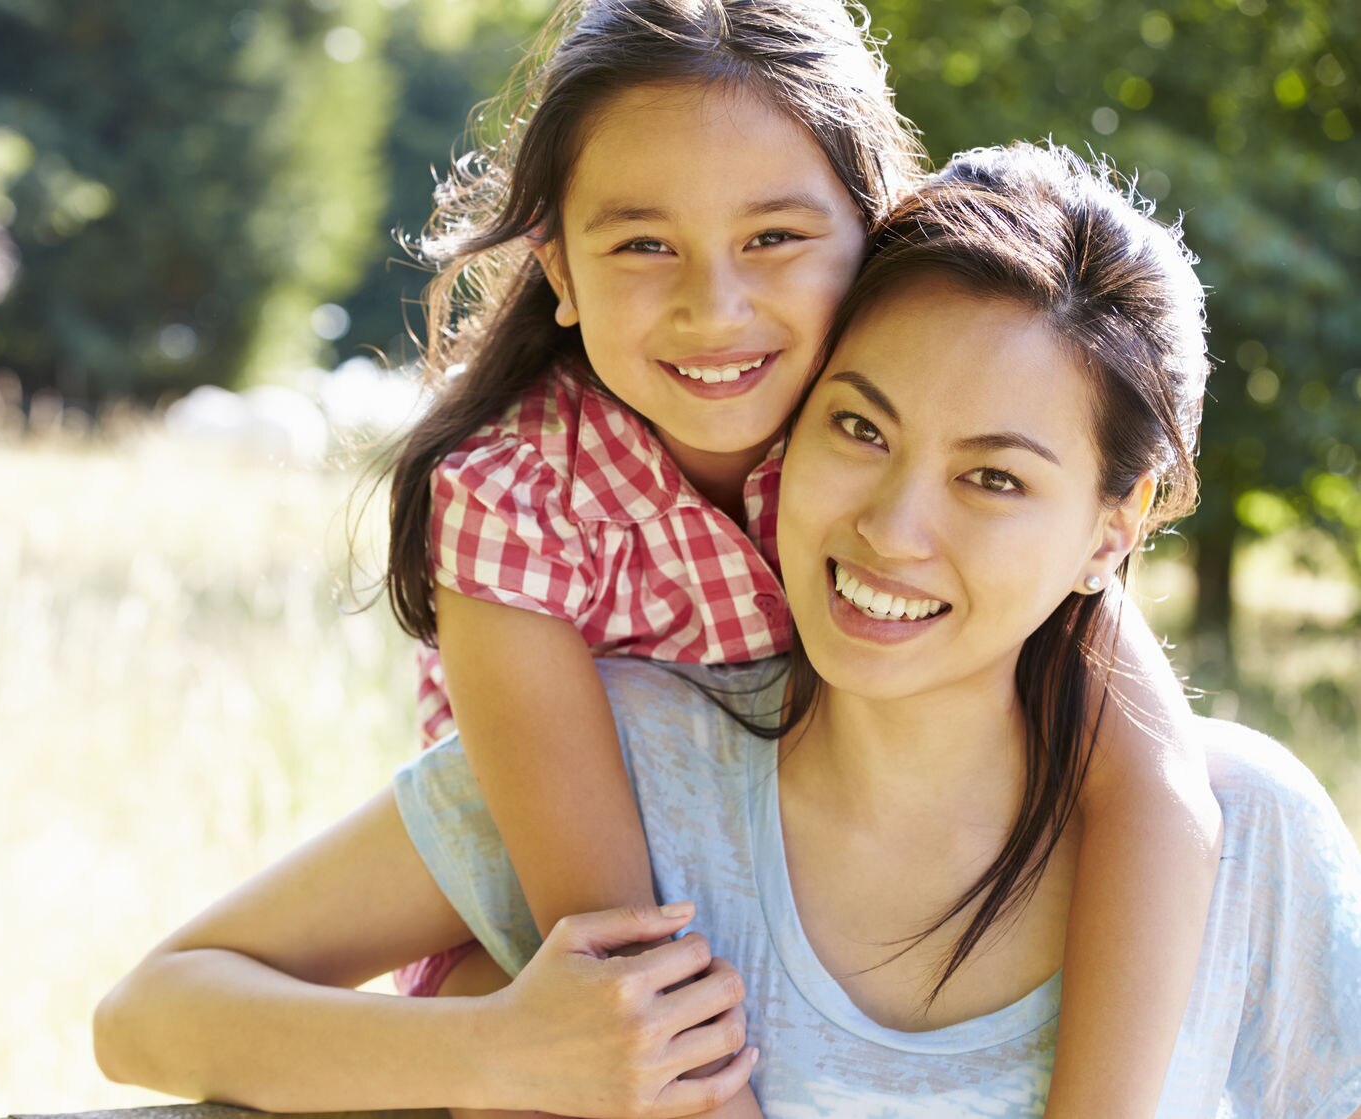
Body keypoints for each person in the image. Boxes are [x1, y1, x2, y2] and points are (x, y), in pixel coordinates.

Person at [93, 143, 1361, 1116]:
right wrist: (502, 1049)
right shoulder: (633, 768)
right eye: (858, 429)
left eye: (993, 479)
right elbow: (150, 1012)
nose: (893, 529)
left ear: (1113, 526)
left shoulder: (1252, 838)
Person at [384, 1, 1215, 1111]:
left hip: (826, 900)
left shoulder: (881, 453)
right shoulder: (515, 496)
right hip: (560, 943)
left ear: (872, 237)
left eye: (773, 237)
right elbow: (619, 958)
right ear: (560, 268)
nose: (713, 307)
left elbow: (1156, 783)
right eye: (641, 244)